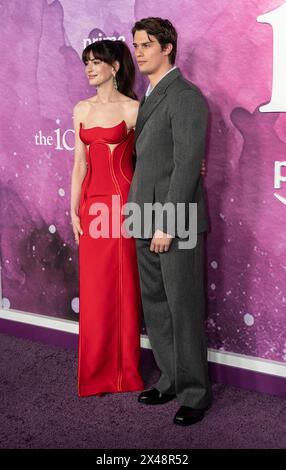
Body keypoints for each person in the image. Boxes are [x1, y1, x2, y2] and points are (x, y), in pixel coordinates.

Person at [128, 17, 213, 425]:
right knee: (156, 307)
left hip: (172, 221)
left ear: (168, 48)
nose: (138, 51)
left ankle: (196, 393)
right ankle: (171, 379)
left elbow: (185, 165)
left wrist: (168, 222)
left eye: (146, 44)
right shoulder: (149, 96)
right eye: (135, 45)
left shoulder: (186, 96)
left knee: (182, 307)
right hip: (142, 214)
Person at [70, 39, 144, 397]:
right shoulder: (80, 109)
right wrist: (72, 209)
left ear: (115, 67)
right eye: (87, 62)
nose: (89, 68)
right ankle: (96, 371)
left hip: (121, 206)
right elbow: (79, 165)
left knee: (123, 288)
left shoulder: (133, 109)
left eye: (96, 62)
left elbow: (148, 162)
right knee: (95, 289)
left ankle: (124, 373)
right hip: (91, 206)